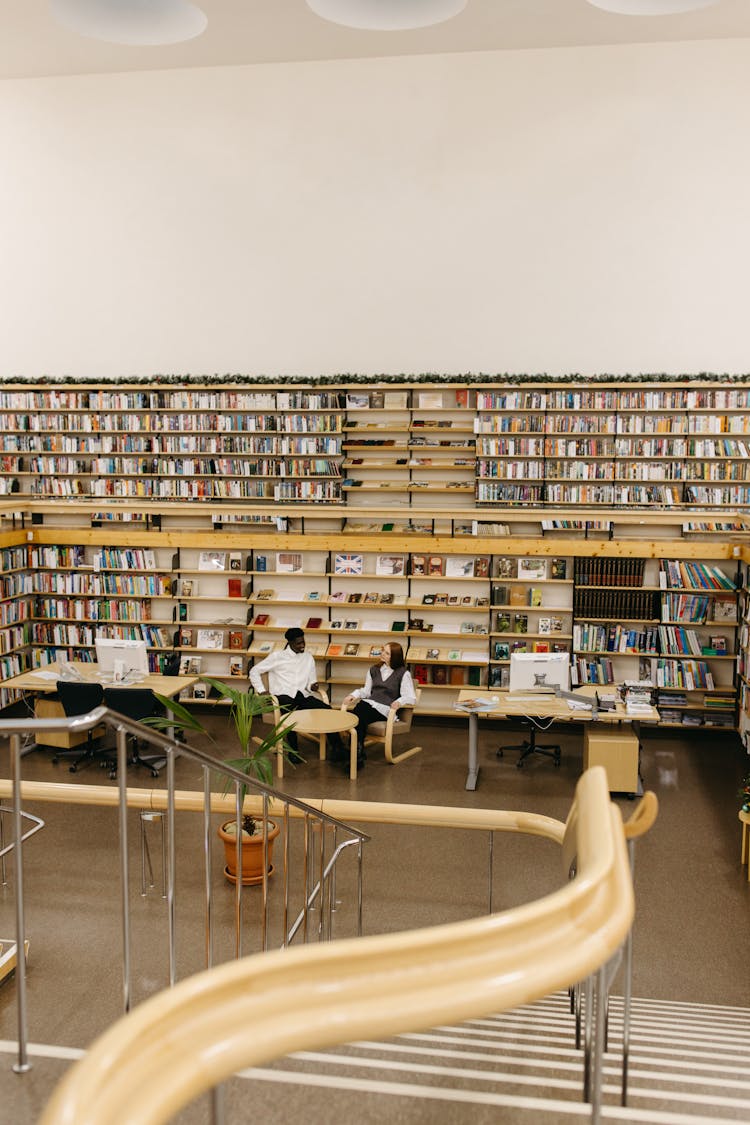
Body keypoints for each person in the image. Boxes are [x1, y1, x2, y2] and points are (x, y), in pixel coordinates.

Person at [248, 627, 335, 757]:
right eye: (298, 643)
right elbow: (254, 671)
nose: (302, 645)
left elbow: (309, 684)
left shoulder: (308, 658)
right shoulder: (277, 657)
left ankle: (337, 748)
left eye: (303, 642)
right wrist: (261, 691)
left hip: (302, 697)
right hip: (282, 697)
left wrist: (312, 686)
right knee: (289, 712)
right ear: (290, 643)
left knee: (328, 710)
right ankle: (293, 751)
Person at [341, 642, 417, 769]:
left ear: (395, 657)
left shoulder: (403, 673)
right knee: (360, 713)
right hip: (369, 705)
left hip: (386, 709)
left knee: (358, 713)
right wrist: (353, 695)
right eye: (383, 651)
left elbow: (411, 697)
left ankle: (354, 754)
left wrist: (399, 702)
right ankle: (356, 755)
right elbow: (366, 691)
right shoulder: (373, 670)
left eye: (387, 653)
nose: (382, 654)